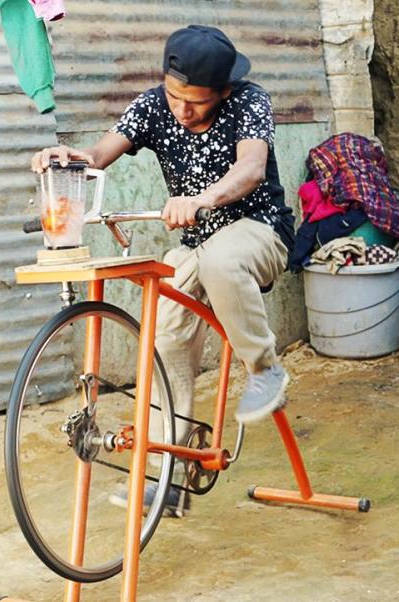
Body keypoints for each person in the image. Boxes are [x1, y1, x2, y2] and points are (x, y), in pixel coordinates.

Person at [30, 25, 294, 513]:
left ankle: (266, 371)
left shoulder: (250, 102)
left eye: (195, 102)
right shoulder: (153, 104)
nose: (181, 109)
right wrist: (70, 159)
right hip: (196, 246)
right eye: (175, 96)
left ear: (223, 91)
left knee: (220, 258)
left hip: (258, 231)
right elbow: (99, 156)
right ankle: (170, 477)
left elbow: (252, 168)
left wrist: (203, 198)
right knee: (166, 334)